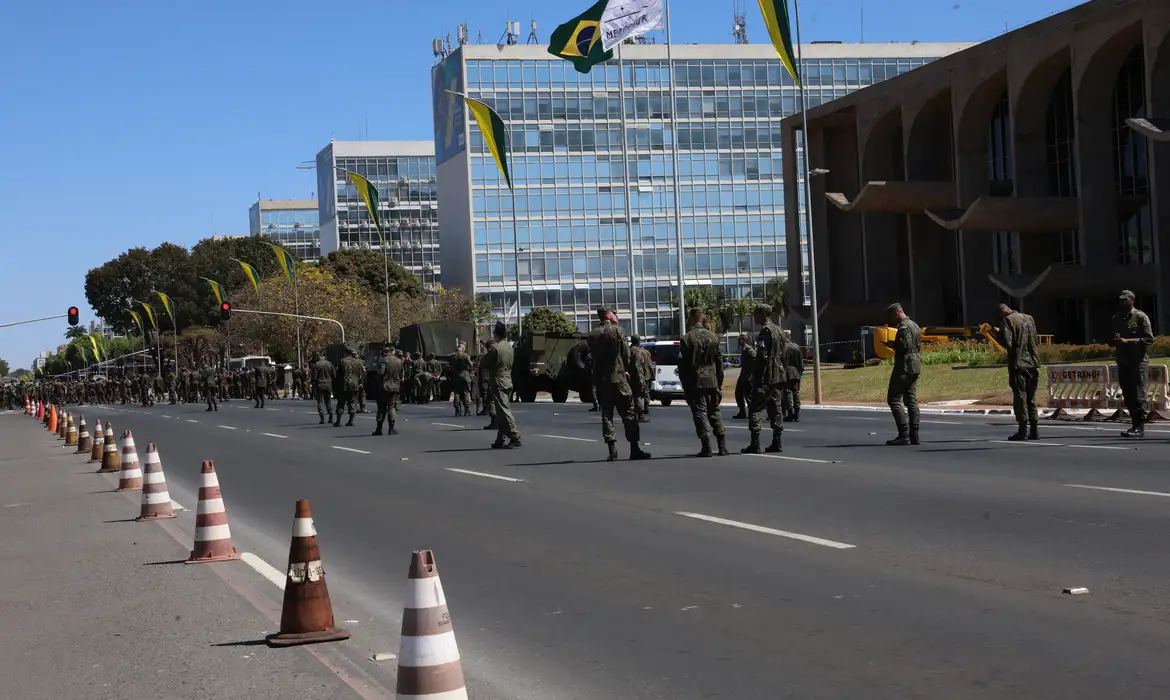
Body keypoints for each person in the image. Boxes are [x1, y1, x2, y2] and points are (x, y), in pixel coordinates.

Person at [588, 307, 650, 462]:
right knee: (629, 414)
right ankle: (634, 448)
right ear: (609, 315)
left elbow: (594, 358)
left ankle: (612, 449)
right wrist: (625, 369)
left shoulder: (593, 334)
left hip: (603, 381)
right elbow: (626, 355)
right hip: (619, 378)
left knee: (607, 415)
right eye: (614, 313)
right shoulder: (618, 331)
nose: (616, 316)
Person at [679, 307, 728, 457]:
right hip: (712, 380)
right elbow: (719, 362)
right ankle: (722, 445)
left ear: (693, 318)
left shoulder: (687, 338)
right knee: (714, 411)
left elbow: (683, 365)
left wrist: (685, 384)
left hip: (696, 381)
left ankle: (706, 445)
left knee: (700, 412)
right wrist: (719, 381)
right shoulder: (713, 337)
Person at [742, 304, 785, 454]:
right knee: (776, 409)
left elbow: (761, 356)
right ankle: (777, 442)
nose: (754, 317)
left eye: (755, 313)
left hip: (766, 376)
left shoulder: (765, 332)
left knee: (756, 408)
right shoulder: (779, 330)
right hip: (778, 376)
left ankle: (755, 443)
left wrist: (756, 375)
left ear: (763, 314)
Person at [1112, 289, 1155, 438]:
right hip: (1123, 361)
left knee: (1138, 395)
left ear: (1132, 300)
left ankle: (1139, 426)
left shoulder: (1140, 317)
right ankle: (1134, 424)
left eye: (1125, 299)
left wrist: (1128, 341)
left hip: (1138, 362)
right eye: (1120, 299)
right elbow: (1111, 340)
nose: (1122, 302)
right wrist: (1115, 340)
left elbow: (1149, 339)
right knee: (1128, 395)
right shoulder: (1117, 318)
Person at [996, 303, 1040, 441]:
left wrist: (998, 333)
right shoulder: (1029, 318)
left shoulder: (1008, 321)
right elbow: (1035, 339)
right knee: (1031, 398)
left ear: (1002, 312)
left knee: (1020, 398)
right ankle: (1034, 430)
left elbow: (1007, 342)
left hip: (1018, 364)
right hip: (1032, 363)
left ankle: (1023, 430)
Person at [883, 302, 922, 446]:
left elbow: (904, 346)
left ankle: (904, 434)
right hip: (915, 365)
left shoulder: (904, 327)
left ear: (897, 313)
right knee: (911, 400)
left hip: (904, 366)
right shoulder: (915, 325)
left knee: (893, 399)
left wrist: (893, 345)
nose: (892, 321)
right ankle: (914, 434)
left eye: (892, 317)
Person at [483, 322, 522, 448]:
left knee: (504, 410)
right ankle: (501, 437)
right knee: (501, 410)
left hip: (498, 380)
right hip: (507, 379)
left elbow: (484, 363)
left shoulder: (496, 348)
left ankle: (515, 436)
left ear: (496, 334)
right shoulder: (510, 347)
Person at [373, 346, 403, 436]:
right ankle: (391, 428)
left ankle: (379, 429)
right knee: (391, 407)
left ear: (385, 352)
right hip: (395, 387)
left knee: (381, 408)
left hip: (384, 387)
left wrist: (378, 383)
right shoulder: (399, 361)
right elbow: (401, 375)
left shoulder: (383, 361)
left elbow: (381, 373)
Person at [336, 346, 363, 427]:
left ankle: (338, 421)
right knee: (352, 402)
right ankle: (351, 420)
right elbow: (360, 375)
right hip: (354, 385)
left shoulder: (342, 361)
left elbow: (338, 374)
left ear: (345, 352)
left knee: (341, 403)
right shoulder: (358, 362)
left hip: (344, 385)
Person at [782, 331, 804, 422]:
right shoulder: (796, 346)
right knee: (796, 392)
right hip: (796, 373)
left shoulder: (783, 348)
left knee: (787, 393)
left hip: (786, 373)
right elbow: (800, 362)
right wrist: (800, 372)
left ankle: (790, 413)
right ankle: (797, 413)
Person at [630, 336, 653, 422]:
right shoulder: (638, 351)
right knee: (640, 394)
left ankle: (632, 413)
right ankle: (640, 414)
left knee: (632, 395)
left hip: (629, 376)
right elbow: (638, 365)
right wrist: (640, 378)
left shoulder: (628, 350)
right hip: (638, 376)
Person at [732, 333, 755, 420]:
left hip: (748, 376)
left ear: (743, 340)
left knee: (748, 395)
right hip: (743, 375)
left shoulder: (748, 349)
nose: (739, 341)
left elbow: (755, 359)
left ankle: (751, 412)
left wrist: (751, 371)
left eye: (740, 339)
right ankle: (742, 411)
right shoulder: (743, 349)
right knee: (738, 393)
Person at [449, 343, 473, 417]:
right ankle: (466, 410)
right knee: (465, 392)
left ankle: (457, 410)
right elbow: (470, 365)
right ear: (463, 348)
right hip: (465, 375)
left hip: (456, 375)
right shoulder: (465, 355)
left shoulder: (452, 356)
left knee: (456, 392)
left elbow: (450, 365)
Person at [312, 352, 336, 425]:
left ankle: (322, 419)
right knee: (328, 401)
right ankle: (331, 417)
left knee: (321, 402)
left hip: (320, 385)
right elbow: (334, 375)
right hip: (328, 384)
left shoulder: (317, 365)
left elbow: (314, 377)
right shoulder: (329, 364)